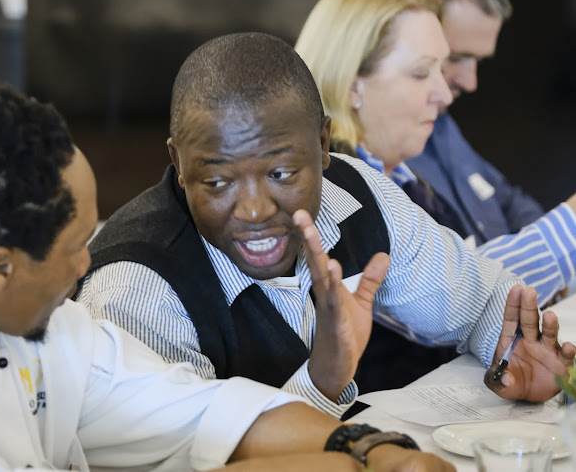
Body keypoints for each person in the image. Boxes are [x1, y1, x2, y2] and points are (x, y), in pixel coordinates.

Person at [0, 79, 455, 472]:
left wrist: (367, 447)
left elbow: (198, 411)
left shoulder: (38, 322)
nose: (88, 264)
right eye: (76, 248)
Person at [79, 32, 575, 415]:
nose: (253, 211)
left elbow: (478, 301)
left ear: (323, 145)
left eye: (280, 173)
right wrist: (321, 382)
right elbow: (197, 457)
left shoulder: (356, 194)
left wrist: (512, 353)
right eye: (216, 183)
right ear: (178, 163)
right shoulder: (137, 290)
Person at [295, 0, 576, 309]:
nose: (445, 93)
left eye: (442, 67)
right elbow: (444, 300)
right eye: (421, 72)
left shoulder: (404, 177)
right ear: (352, 83)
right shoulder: (335, 192)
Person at [380, 0, 550, 248]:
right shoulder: (378, 163)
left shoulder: (442, 125)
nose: (470, 83)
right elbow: (455, 280)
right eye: (454, 58)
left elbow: (508, 201)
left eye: (478, 62)